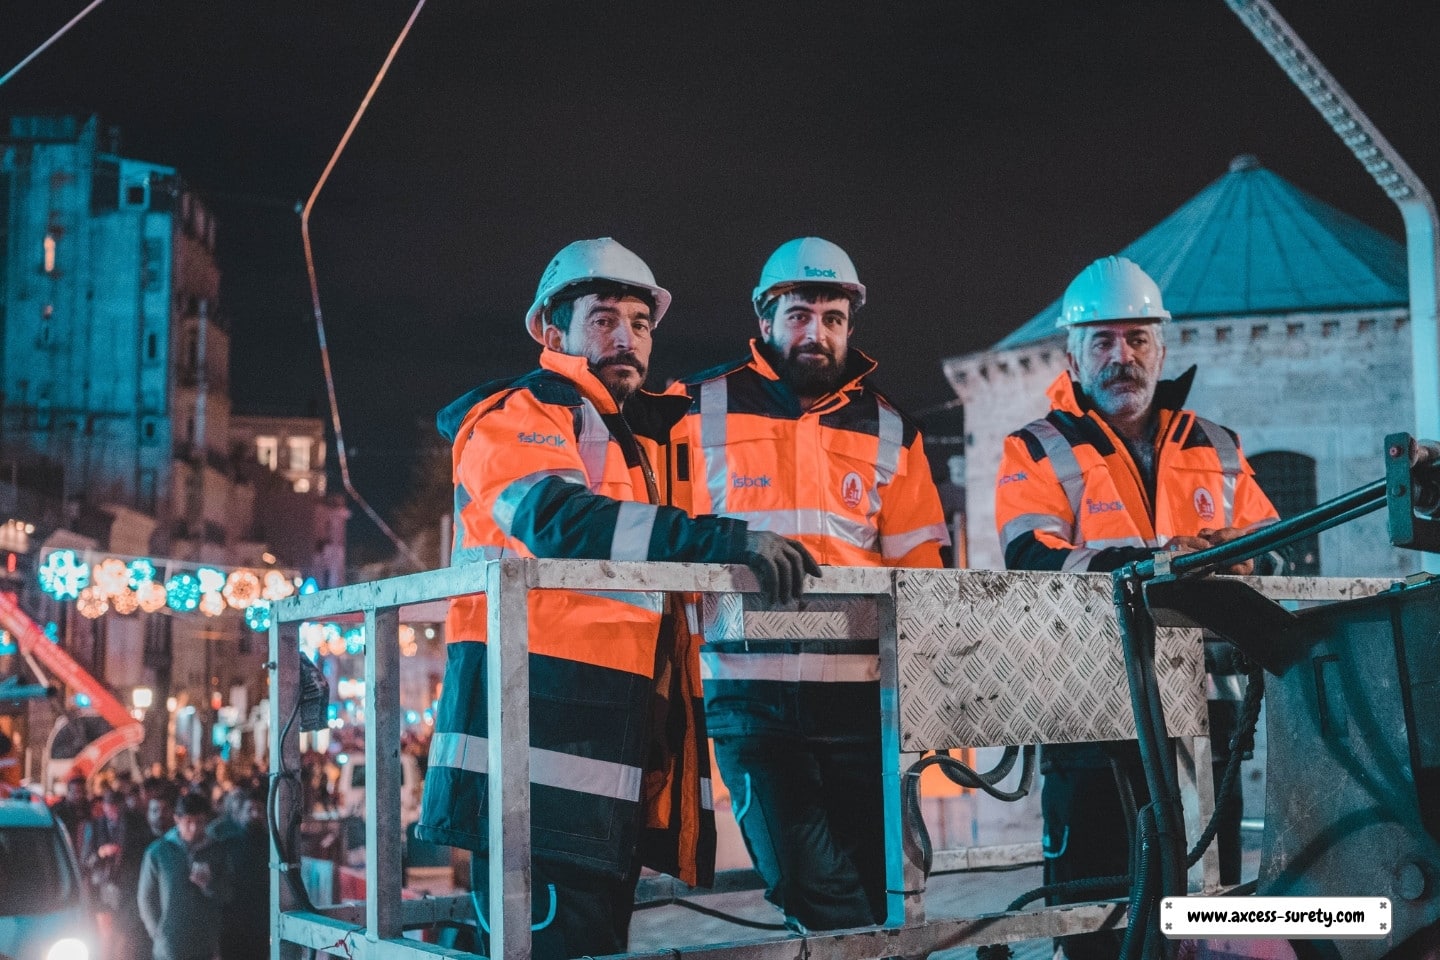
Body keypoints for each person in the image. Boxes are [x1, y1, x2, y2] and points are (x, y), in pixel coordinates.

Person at [415, 237, 817, 960]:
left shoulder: (639, 435)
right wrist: (725, 540)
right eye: (603, 319)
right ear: (550, 330)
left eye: (640, 321)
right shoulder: (511, 414)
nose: (627, 338)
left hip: (599, 755)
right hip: (531, 759)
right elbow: (557, 519)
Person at [993, 255, 1279, 959]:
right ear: (1072, 354)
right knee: (1095, 921)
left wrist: (1228, 555)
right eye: (1103, 341)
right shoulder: (1037, 449)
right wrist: (1165, 568)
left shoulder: (1218, 445)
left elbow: (1270, 546)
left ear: (1162, 346)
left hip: (1207, 706)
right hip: (1087, 710)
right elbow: (1032, 557)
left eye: (1137, 339)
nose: (1122, 357)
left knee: (1209, 912)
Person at [680, 237, 949, 933]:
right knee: (807, 883)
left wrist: (930, 687)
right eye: (800, 315)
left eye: (833, 318)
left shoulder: (892, 428)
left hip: (862, 698)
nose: (817, 334)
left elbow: (923, 574)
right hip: (748, 697)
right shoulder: (694, 411)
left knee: (873, 879)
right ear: (764, 317)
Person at [139, 791, 230, 960]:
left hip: (204, 944)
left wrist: (208, 885)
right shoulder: (158, 852)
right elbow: (145, 897)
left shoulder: (216, 851)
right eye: (188, 822)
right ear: (177, 820)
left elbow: (227, 893)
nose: (194, 828)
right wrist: (158, 933)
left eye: (200, 822)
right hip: (170, 947)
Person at [82, 789, 152, 960]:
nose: (113, 811)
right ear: (103, 807)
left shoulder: (136, 823)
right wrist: (101, 852)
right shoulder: (96, 826)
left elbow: (145, 852)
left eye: (116, 807)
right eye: (109, 806)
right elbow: (85, 860)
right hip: (103, 888)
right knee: (106, 935)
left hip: (128, 888)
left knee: (126, 935)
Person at [207, 785, 269, 960]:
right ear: (239, 813)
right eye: (250, 809)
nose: (255, 814)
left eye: (259, 810)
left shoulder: (269, 842)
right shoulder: (225, 840)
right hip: (231, 921)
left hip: (259, 920)